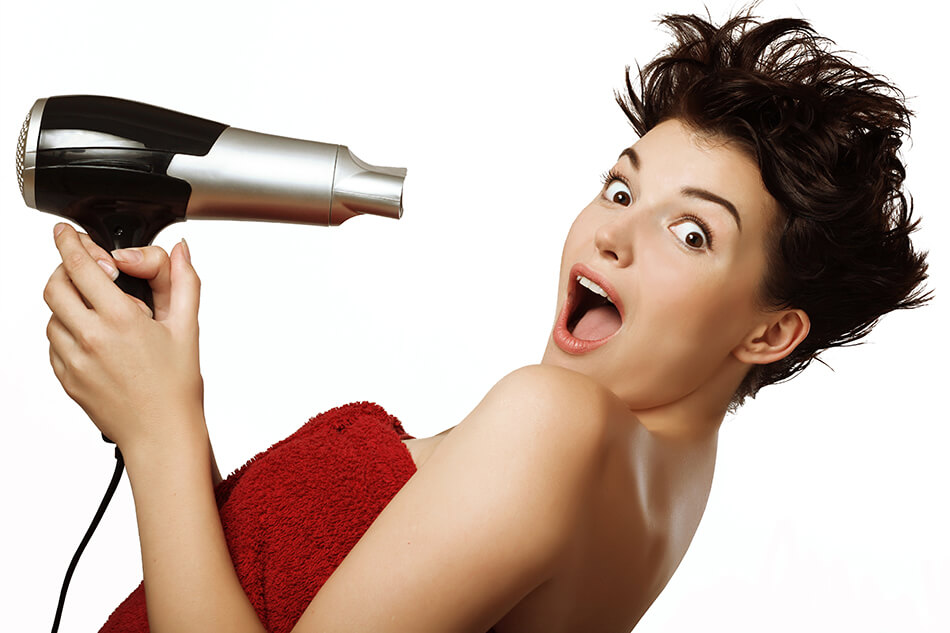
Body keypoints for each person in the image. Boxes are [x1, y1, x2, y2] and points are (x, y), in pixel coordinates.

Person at [41, 8, 929, 633]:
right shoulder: (667, 480)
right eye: (621, 187)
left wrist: (158, 431)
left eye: (690, 232)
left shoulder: (559, 421)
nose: (611, 233)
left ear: (771, 332)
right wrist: (157, 398)